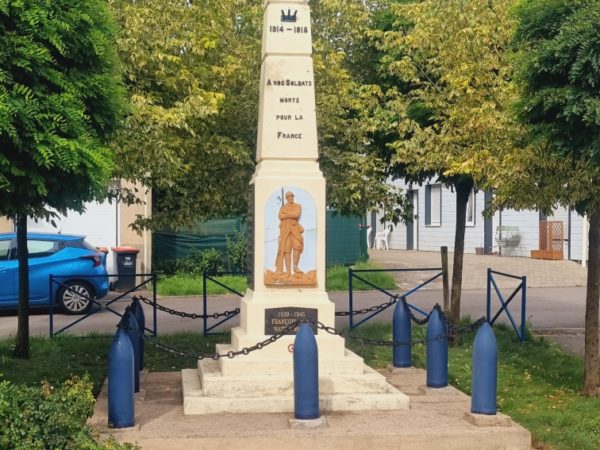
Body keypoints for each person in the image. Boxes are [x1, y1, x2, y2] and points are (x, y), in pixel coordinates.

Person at [275, 191, 304, 277]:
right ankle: (288, 272)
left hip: (295, 229)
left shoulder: (297, 206)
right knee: (287, 250)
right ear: (286, 198)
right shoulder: (283, 207)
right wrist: (288, 215)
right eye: (289, 197)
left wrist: (287, 215)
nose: (291, 198)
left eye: (292, 196)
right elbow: (280, 216)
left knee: (298, 246)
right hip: (285, 230)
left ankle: (295, 266)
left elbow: (296, 215)